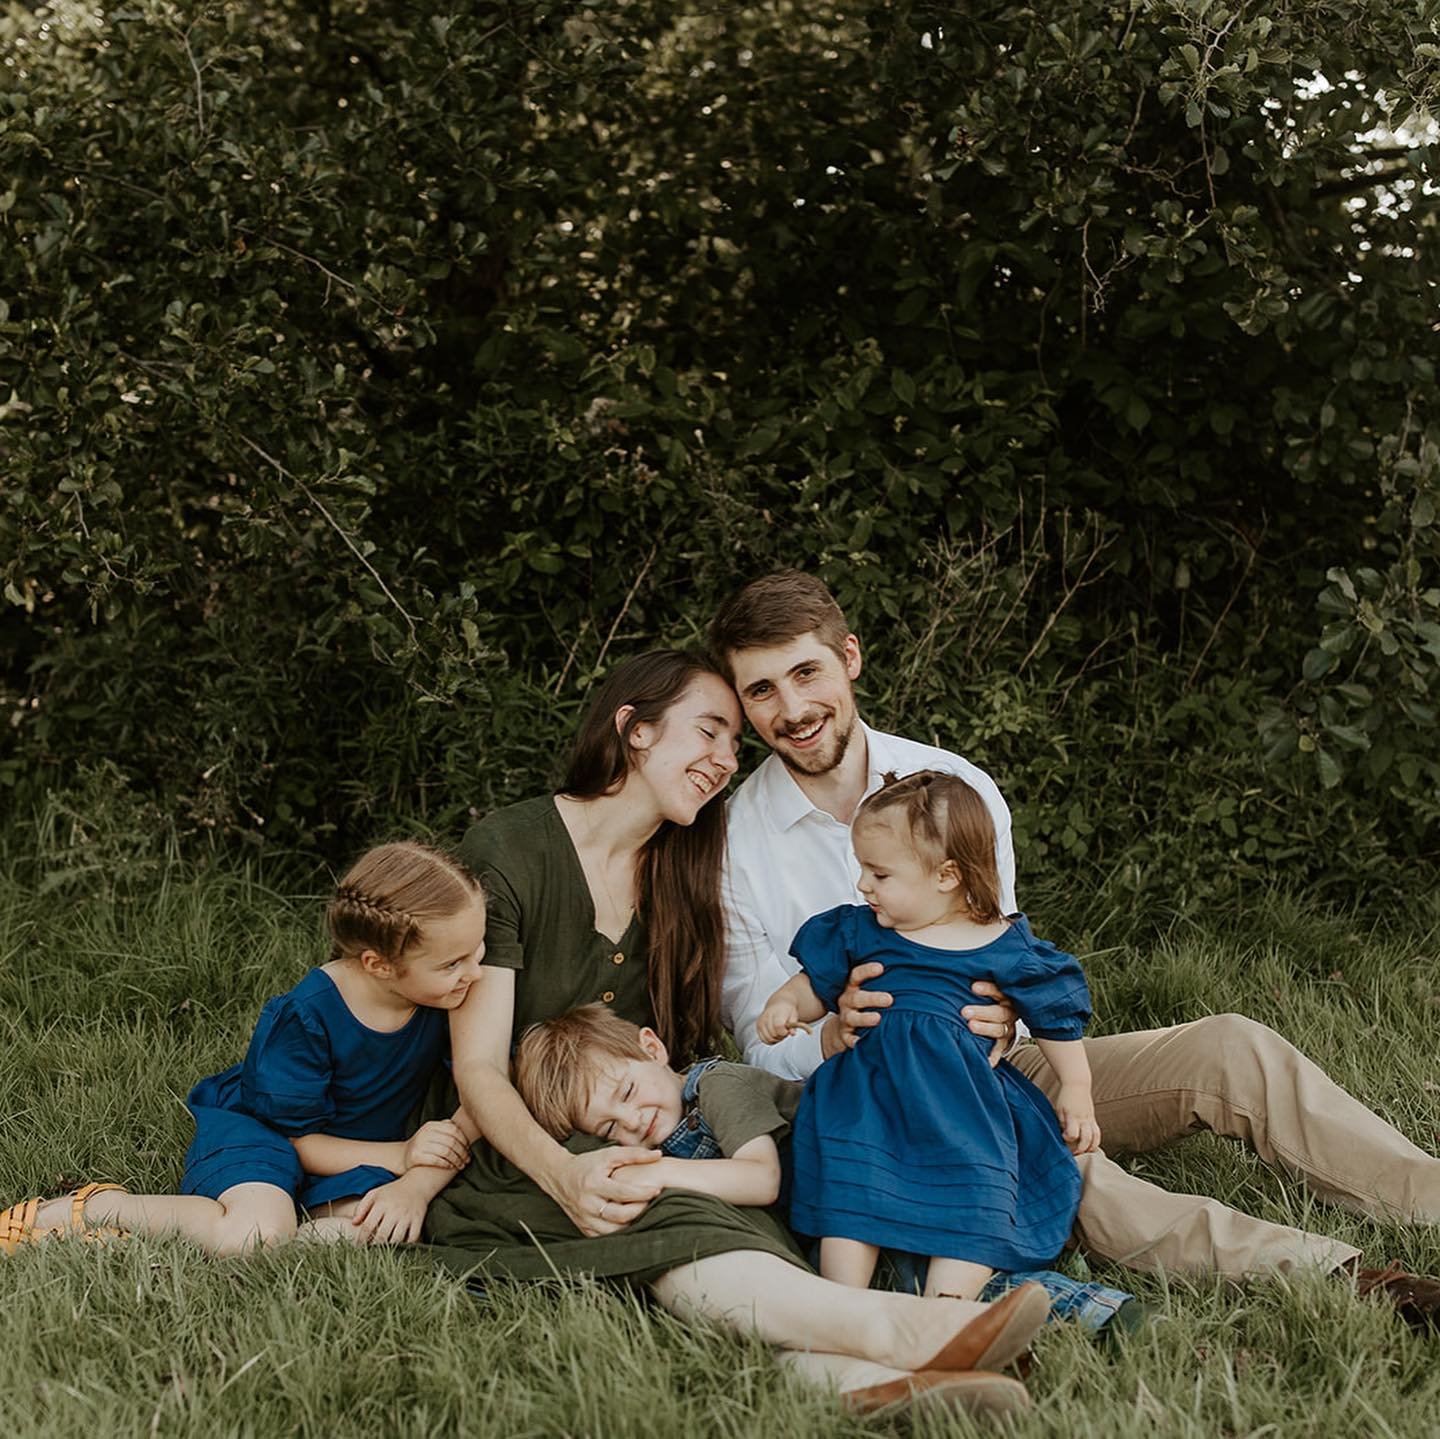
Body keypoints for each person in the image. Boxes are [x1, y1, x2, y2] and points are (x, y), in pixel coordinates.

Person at [711, 569, 1440, 1328]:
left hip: (1003, 1056)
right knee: (1077, 1171)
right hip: (875, 1099)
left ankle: (1425, 1194)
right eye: (761, 690)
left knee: (1232, 1046)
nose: (792, 709)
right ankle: (1351, 1277)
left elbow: (1002, 937)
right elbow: (754, 1037)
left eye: (806, 672)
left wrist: (1005, 1011)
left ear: (850, 657)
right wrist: (828, 1030)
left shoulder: (956, 784)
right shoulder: (735, 844)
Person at [424, 649, 1050, 1419]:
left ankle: (848, 1382)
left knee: (739, 1211)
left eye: (733, 743)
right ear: (636, 730)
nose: (726, 761)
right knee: (645, 1198)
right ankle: (910, 1329)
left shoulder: (684, 867)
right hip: (530, 1138)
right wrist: (562, 1173)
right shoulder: (512, 851)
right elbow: (478, 1066)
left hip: (652, 1123)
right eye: (710, 732)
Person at [0, 841, 485, 1255]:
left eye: (478, 951)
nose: (475, 973)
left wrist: (404, 1172)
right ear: (378, 965)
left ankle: (131, 1240)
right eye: (453, 963)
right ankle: (99, 1208)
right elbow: (299, 1138)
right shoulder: (307, 1015)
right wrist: (401, 1157)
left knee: (375, 1225)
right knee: (257, 1236)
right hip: (269, 1133)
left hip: (360, 1148)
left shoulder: (446, 996)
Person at [760, 769, 1098, 1301]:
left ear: (947, 876)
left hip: (962, 1110)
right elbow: (814, 984)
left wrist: (1075, 1088)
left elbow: (1054, 1013)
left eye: (880, 874)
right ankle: (841, 1301)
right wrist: (785, 1003)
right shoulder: (862, 930)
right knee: (854, 1195)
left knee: (976, 1195)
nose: (863, 885)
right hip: (867, 1105)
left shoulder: (1002, 943)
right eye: (863, 870)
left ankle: (947, 1309)